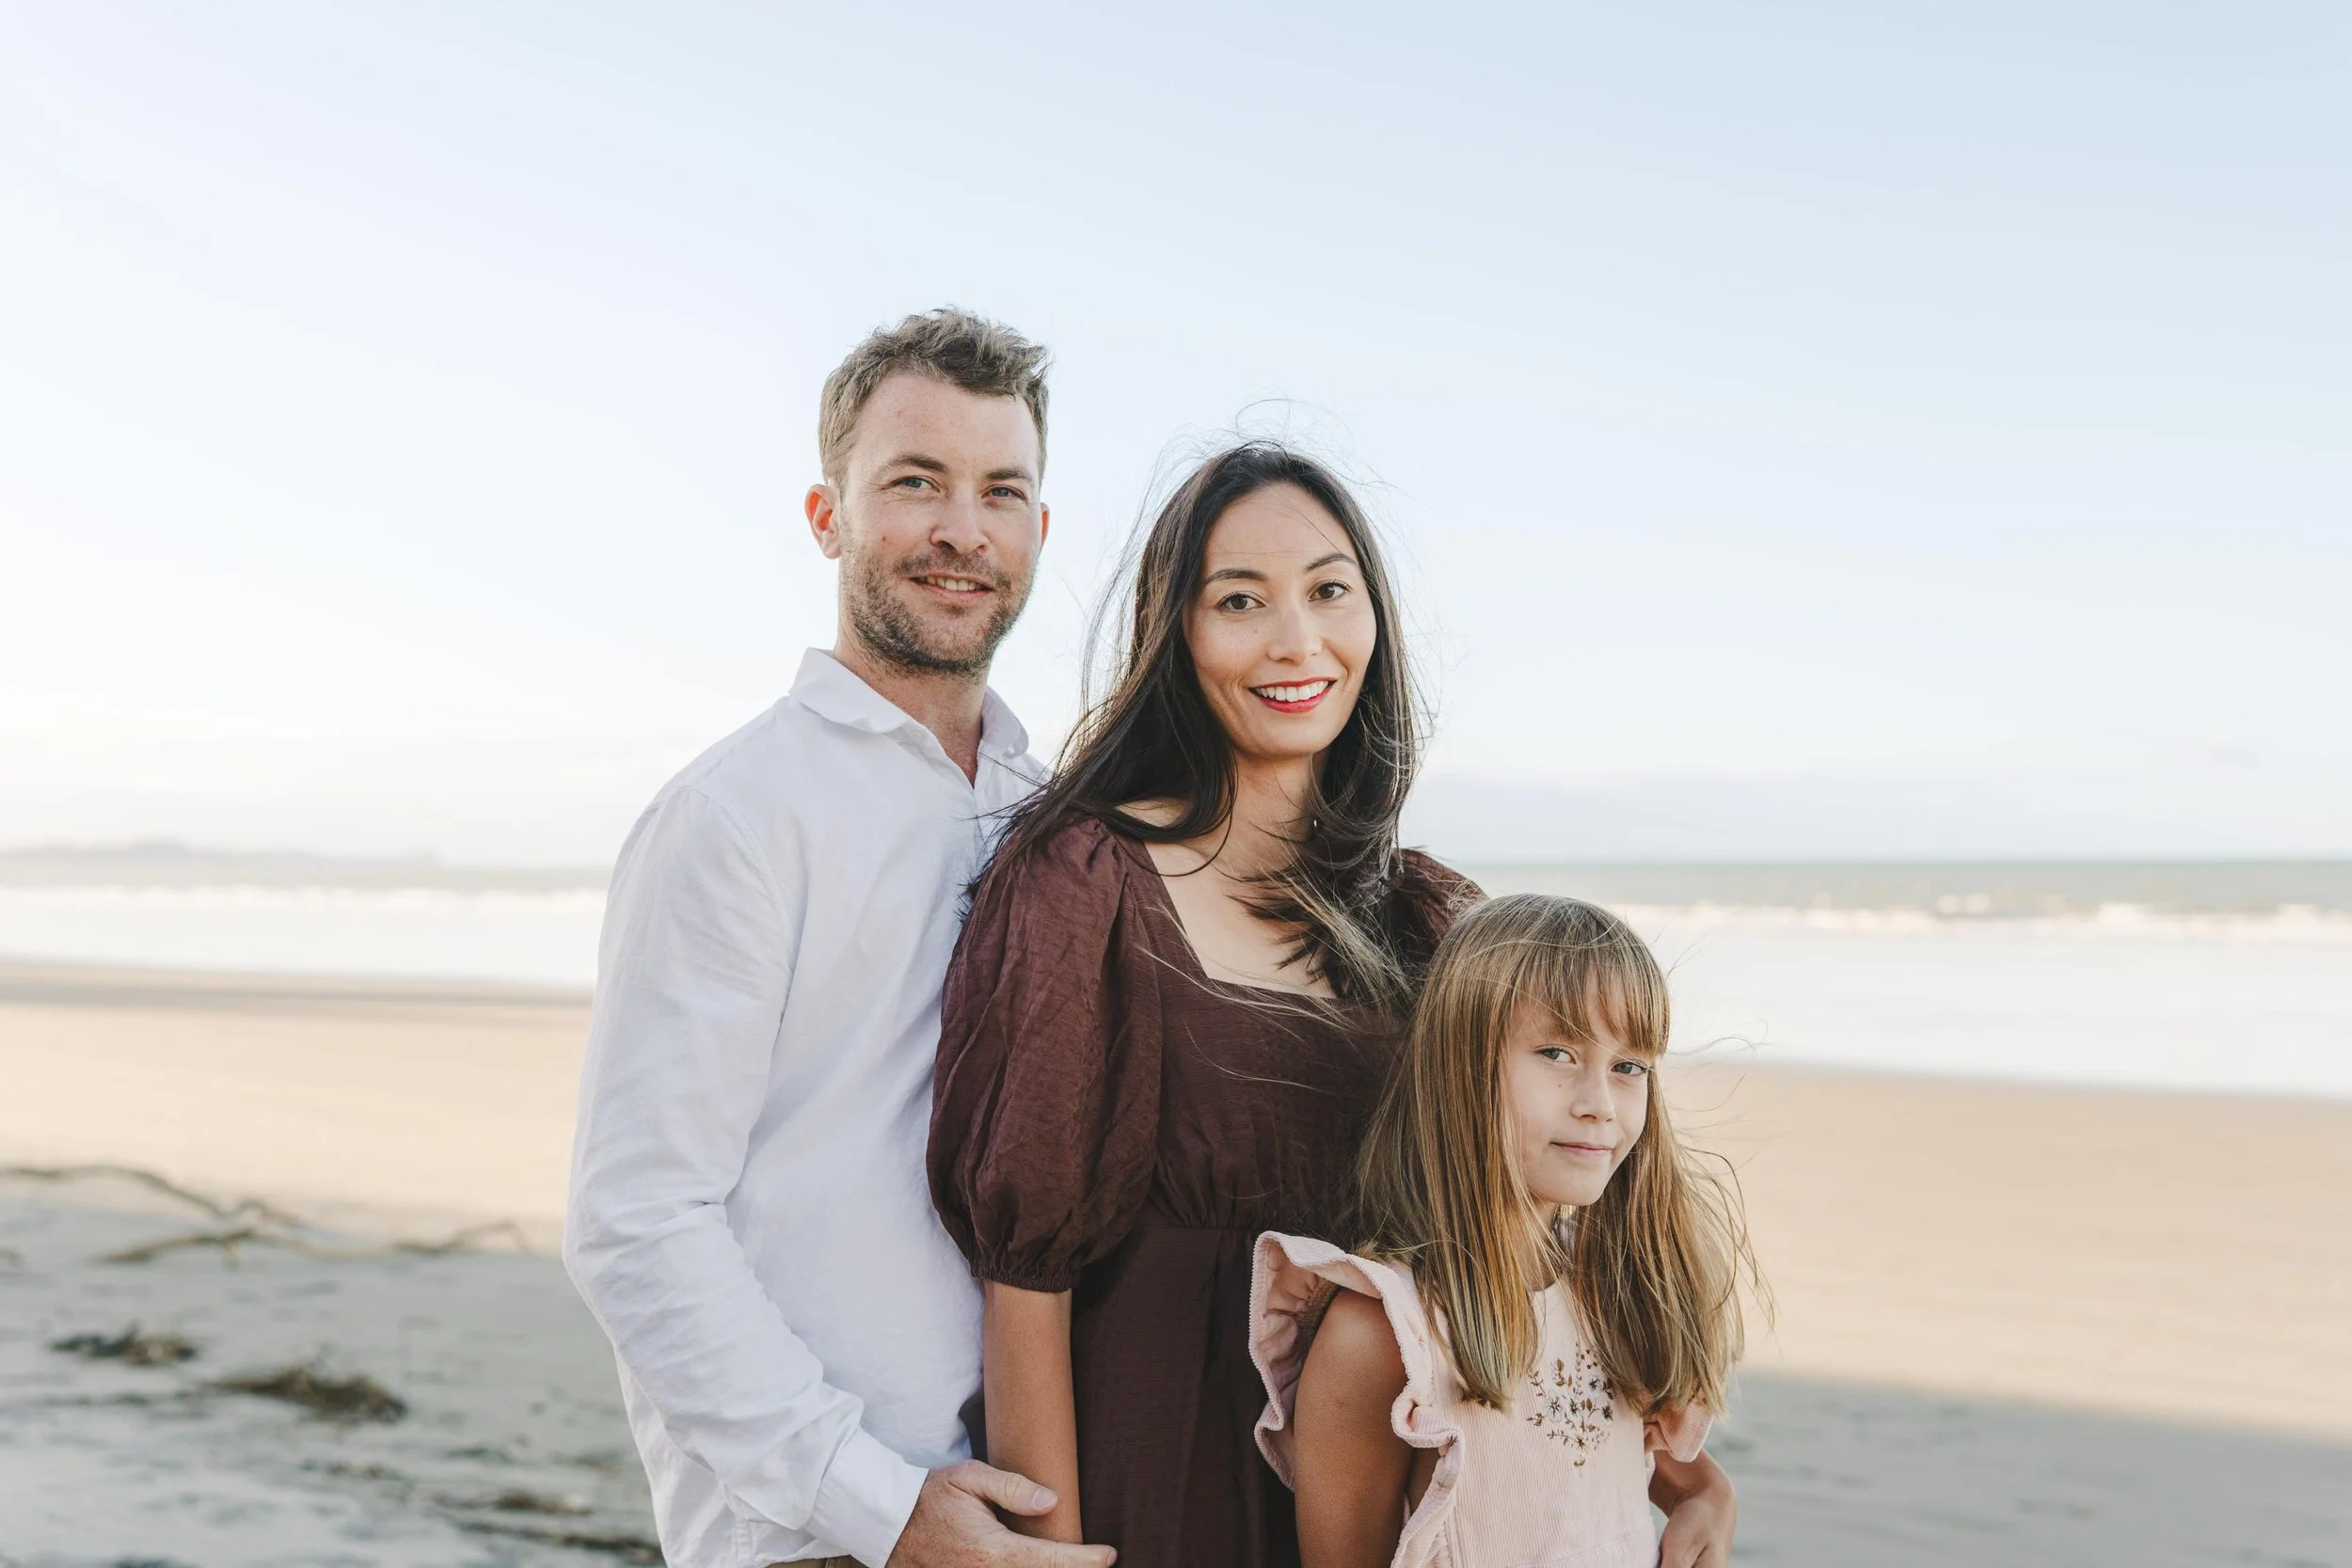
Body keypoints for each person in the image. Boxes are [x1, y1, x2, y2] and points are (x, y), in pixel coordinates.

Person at [563, 309, 1113, 1568]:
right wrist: (881, 1504)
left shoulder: (1053, 814)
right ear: (829, 517)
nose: (962, 530)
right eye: (914, 483)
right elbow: (635, 1218)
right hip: (822, 1534)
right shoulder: (735, 814)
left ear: (1038, 531)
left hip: (1036, 1502)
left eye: (1001, 491)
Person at [928, 441, 1481, 1567]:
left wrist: (1686, 1471)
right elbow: (1024, 1282)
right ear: (1174, 633)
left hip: (1388, 1488)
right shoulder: (1084, 882)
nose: (1297, 639)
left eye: (1329, 589)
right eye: (1241, 600)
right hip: (1165, 1474)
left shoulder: (1424, 918)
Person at [1250, 894, 1752, 1568]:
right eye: (1557, 1052)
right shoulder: (1384, 1335)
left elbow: (1665, 1472)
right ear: (1462, 1068)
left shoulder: (1611, 1288)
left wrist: (1710, 1499)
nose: (1599, 1105)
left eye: (1628, 1066)